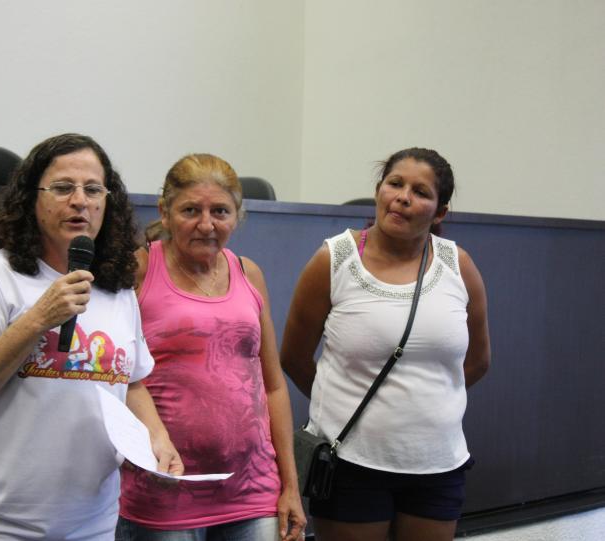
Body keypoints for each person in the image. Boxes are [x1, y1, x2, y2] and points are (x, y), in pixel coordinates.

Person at [0, 133, 183, 541]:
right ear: (31, 200)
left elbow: (132, 381)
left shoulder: (117, 288)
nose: (80, 201)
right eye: (63, 188)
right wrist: (38, 319)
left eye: (93, 189)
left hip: (93, 525)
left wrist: (157, 438)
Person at [281, 148, 491, 541]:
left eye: (420, 192)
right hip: (350, 461)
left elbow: (478, 362)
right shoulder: (334, 259)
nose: (403, 197)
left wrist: (421, 406)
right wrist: (342, 403)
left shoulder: (458, 265)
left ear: (440, 212)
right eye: (395, 183)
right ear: (379, 190)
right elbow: (293, 357)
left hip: (437, 464)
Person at [116, 154, 306, 541]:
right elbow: (117, 377)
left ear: (237, 215)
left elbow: (272, 385)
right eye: (191, 210)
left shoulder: (248, 273)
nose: (206, 225)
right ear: (165, 212)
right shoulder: (138, 270)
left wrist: (290, 485)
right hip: (163, 492)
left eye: (220, 211)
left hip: (252, 491)